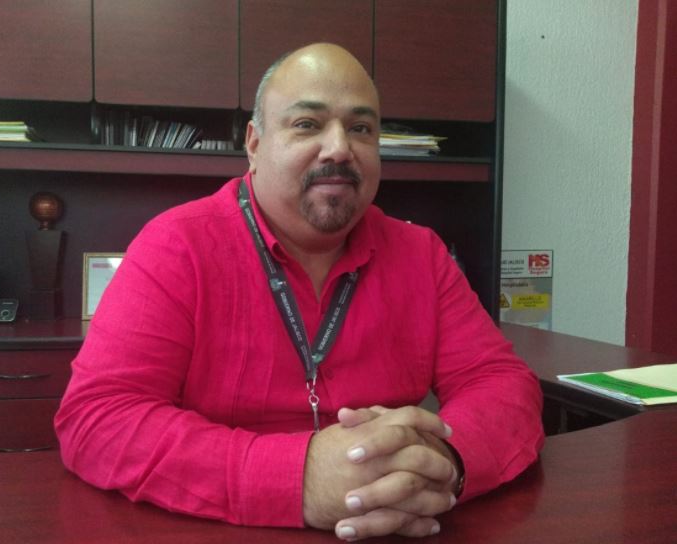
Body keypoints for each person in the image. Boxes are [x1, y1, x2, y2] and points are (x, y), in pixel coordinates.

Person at [55, 43, 544, 541]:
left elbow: (502, 384)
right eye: (308, 124)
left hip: (395, 525)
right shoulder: (176, 246)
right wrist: (298, 478)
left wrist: (440, 461)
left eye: (361, 128)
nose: (339, 149)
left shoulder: (422, 255)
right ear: (254, 143)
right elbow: (98, 419)